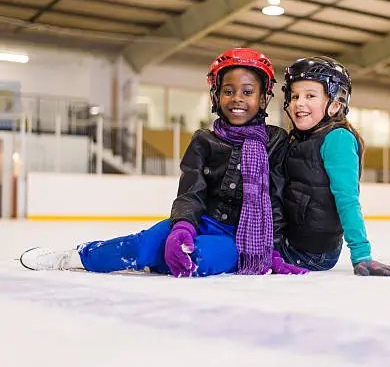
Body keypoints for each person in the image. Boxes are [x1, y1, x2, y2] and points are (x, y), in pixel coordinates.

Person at [20, 48, 307, 277]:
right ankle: (78, 256)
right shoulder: (203, 140)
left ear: (263, 97)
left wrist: (272, 250)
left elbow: (276, 198)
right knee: (143, 245)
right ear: (215, 95)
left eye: (247, 92)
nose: (237, 99)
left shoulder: (276, 141)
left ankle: (156, 262)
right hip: (199, 221)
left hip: (239, 238)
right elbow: (190, 191)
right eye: (228, 91)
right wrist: (182, 227)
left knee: (198, 258)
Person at [278, 56, 390, 277]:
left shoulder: (337, 139)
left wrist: (362, 256)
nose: (299, 102)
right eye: (295, 95)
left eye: (310, 96)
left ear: (335, 104)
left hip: (311, 252)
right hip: (292, 239)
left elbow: (347, 198)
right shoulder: (297, 139)